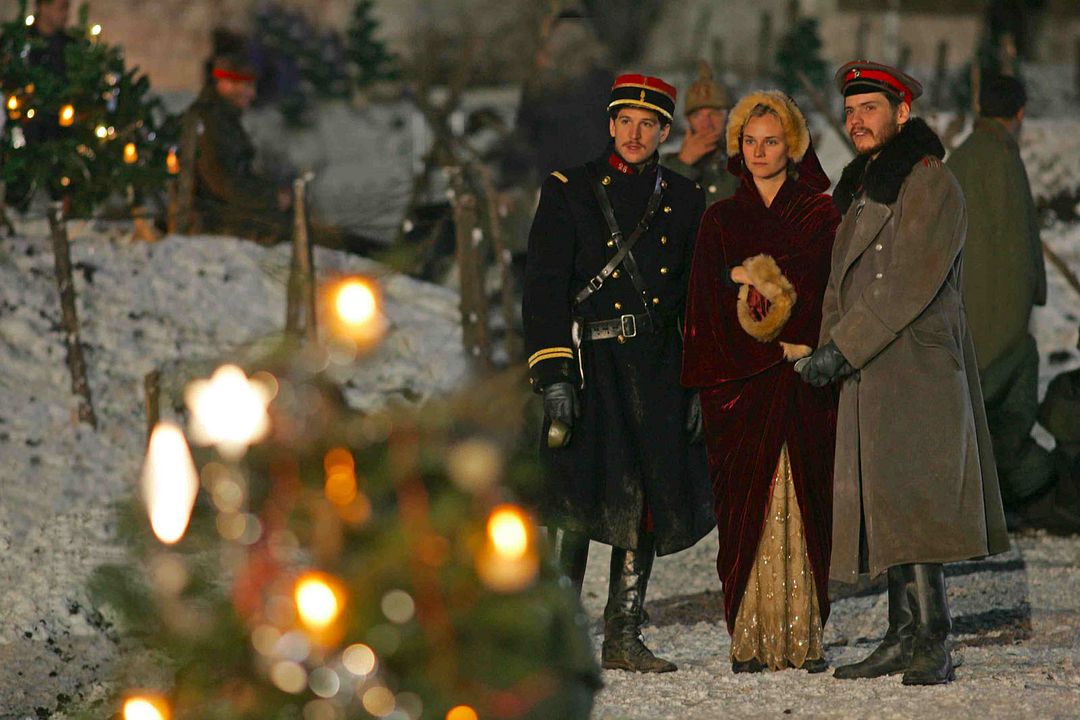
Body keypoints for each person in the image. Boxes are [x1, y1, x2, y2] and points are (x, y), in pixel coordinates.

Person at [798, 61, 1008, 685]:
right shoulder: (865, 187)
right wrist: (828, 344)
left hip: (916, 363)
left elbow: (909, 277)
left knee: (918, 498)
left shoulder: (929, 182)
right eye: (851, 110)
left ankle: (933, 637)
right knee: (886, 497)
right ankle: (899, 634)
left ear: (902, 113)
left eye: (870, 108)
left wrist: (844, 346)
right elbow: (844, 280)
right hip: (872, 365)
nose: (857, 120)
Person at [521, 73, 714, 673]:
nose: (635, 134)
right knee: (574, 500)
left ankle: (624, 633)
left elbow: (694, 298)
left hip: (656, 369)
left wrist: (697, 379)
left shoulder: (685, 199)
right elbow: (544, 288)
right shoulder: (569, 191)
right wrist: (554, 375)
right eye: (625, 121)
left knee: (646, 503)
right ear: (610, 125)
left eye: (648, 125)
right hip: (588, 364)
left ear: (664, 131)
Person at [682, 90, 839, 674]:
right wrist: (732, 353)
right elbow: (702, 306)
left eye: (771, 141)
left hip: (801, 384)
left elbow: (829, 292)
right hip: (738, 388)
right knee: (745, 508)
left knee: (806, 502)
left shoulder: (820, 214)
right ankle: (748, 638)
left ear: (792, 145)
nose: (759, 151)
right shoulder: (721, 218)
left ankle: (803, 636)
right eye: (749, 141)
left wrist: (798, 338)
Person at [947, 75, 1079, 532]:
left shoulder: (963, 156)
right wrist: (1028, 302)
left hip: (967, 315)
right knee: (1006, 416)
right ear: (1020, 113)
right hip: (1001, 320)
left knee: (981, 415)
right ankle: (1032, 497)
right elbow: (1020, 245)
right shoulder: (1003, 158)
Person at [177, 51, 292, 243]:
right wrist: (272, 198)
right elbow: (221, 183)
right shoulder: (210, 121)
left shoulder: (223, 120)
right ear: (225, 84)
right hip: (212, 221)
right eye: (246, 86)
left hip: (225, 214)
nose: (252, 94)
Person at [661, 61, 739, 207]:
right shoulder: (667, 166)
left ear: (729, 116)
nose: (706, 124)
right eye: (697, 116)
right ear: (688, 121)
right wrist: (683, 163)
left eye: (715, 114)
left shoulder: (746, 163)